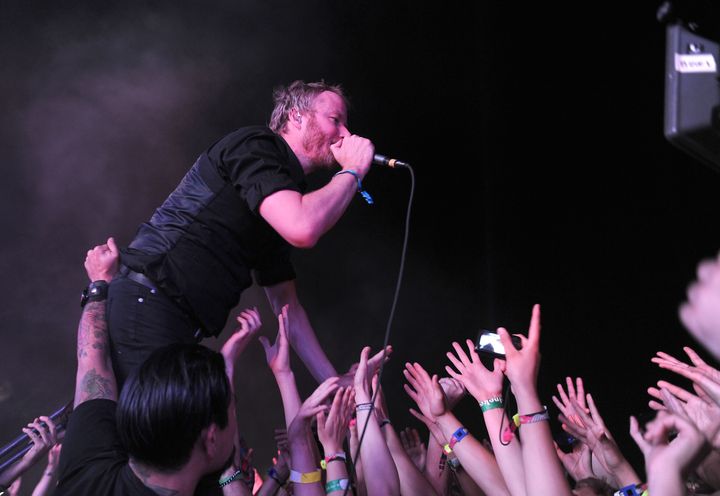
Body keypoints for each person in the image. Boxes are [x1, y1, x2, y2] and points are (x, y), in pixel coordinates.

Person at [108, 80, 375, 386]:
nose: (345, 134)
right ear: (297, 116)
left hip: (175, 319)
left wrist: (333, 382)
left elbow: (287, 306)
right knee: (146, 427)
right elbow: (304, 228)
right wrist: (353, 170)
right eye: (335, 120)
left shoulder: (284, 193)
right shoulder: (256, 146)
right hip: (151, 300)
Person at [54, 239, 253, 496]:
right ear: (211, 439)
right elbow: (92, 363)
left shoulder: (90, 475)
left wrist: (99, 284)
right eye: (232, 412)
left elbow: (92, 365)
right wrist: (99, 284)